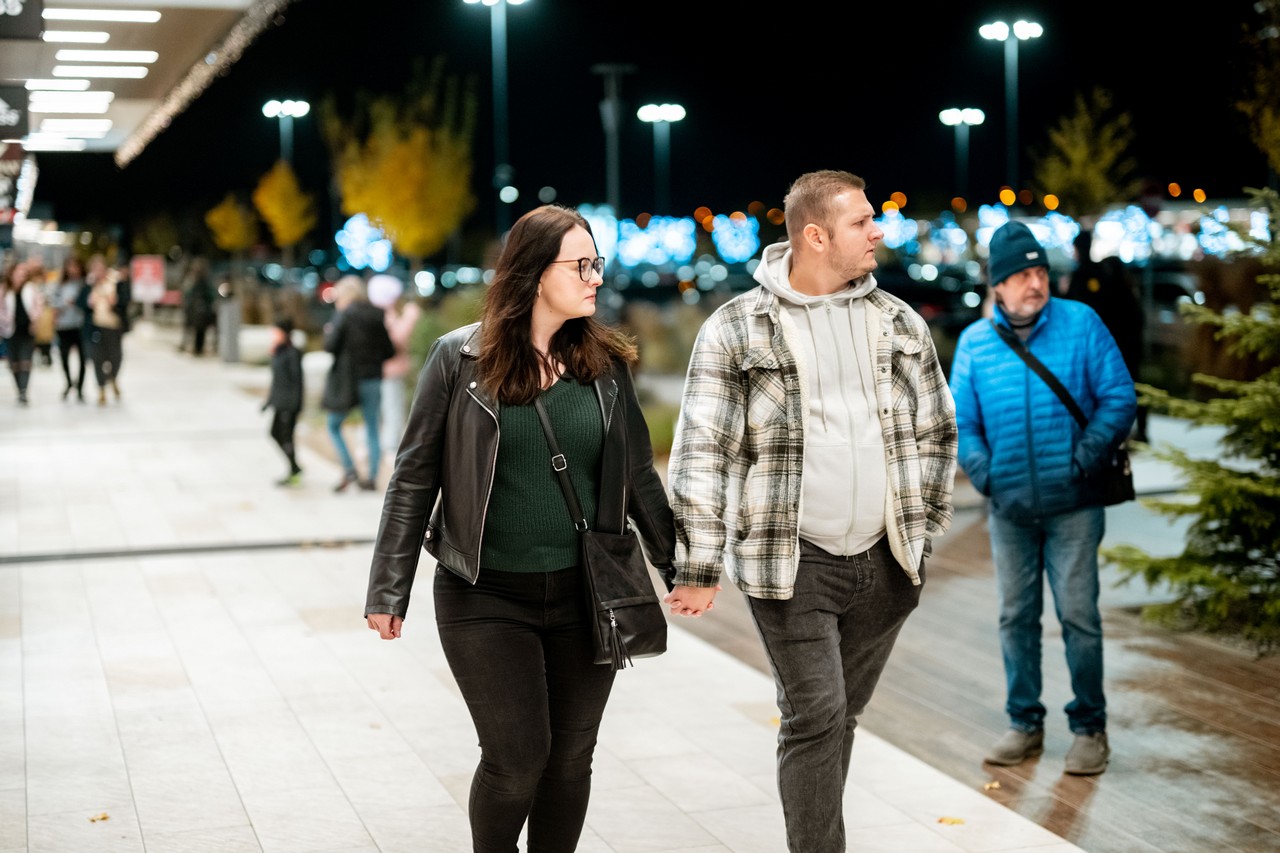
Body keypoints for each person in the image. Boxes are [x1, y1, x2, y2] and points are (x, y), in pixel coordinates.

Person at [363, 204, 676, 853]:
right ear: (533, 273)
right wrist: (388, 588)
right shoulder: (459, 359)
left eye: (596, 263)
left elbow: (638, 476)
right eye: (580, 265)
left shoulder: (605, 366)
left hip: (588, 593)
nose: (595, 277)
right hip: (484, 594)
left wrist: (681, 567)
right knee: (516, 757)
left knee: (571, 759)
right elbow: (414, 477)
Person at [664, 170, 958, 853]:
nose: (878, 231)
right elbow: (703, 450)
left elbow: (937, 429)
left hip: (888, 563)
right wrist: (699, 563)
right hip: (793, 564)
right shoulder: (738, 327)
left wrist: (922, 532)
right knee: (817, 714)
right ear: (817, 236)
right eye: (862, 221)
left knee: (838, 717)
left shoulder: (899, 321)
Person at [949, 220, 1136, 776]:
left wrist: (1084, 459)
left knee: (1078, 617)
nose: (1035, 283)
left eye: (1040, 272)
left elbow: (1119, 397)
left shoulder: (1081, 324)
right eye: (1021, 275)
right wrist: (986, 475)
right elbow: (962, 423)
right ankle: (1024, 723)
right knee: (1015, 617)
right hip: (1009, 509)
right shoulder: (975, 344)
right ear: (998, 286)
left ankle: (1090, 729)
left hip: (1075, 503)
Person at [1064, 228, 1148, 442]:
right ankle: (1138, 430)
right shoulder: (1125, 292)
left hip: (1108, 345)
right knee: (1129, 387)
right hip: (1127, 346)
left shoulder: (1085, 275)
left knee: (1108, 389)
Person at [322, 275, 395, 492]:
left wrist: (330, 330)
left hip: (348, 380)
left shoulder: (344, 315)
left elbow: (330, 346)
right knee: (372, 427)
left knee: (333, 425)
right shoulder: (377, 315)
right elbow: (389, 351)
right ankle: (371, 478)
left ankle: (349, 469)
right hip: (372, 378)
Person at [367, 273, 421, 459]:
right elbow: (397, 341)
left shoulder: (374, 313)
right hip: (390, 371)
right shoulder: (386, 315)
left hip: (377, 371)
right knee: (393, 409)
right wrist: (410, 318)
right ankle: (390, 446)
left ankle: (376, 445)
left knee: (378, 410)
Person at [262, 315, 304, 486]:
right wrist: (268, 402)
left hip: (288, 404)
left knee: (286, 437)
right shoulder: (278, 351)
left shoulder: (292, 353)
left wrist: (295, 404)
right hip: (279, 402)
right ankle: (294, 467)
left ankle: (294, 470)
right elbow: (276, 380)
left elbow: (296, 381)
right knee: (275, 433)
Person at [1, 260, 47, 406]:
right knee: (14, 362)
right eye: (18, 273)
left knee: (25, 360)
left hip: (27, 330)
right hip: (10, 330)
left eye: (23, 274)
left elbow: (39, 306)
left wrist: (35, 319)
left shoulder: (31, 289)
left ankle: (23, 391)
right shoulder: (4, 291)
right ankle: (19, 388)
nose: (20, 277)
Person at [85, 257, 130, 406]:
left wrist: (115, 303)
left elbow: (125, 301)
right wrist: (88, 302)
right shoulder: (89, 285)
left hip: (113, 326)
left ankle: (112, 377)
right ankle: (101, 389)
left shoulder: (115, 282)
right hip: (96, 327)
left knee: (116, 357)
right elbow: (82, 303)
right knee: (98, 358)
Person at [53, 255, 89, 402]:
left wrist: (78, 302)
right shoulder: (60, 284)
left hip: (81, 325)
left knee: (83, 357)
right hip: (64, 325)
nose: (73, 269)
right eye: (70, 266)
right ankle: (68, 382)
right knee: (63, 356)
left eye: (75, 266)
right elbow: (54, 302)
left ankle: (80, 387)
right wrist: (62, 306)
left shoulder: (84, 283)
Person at [181, 256, 218, 356]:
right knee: (198, 330)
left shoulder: (199, 281)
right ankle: (196, 348)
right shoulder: (199, 281)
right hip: (198, 310)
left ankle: (196, 348)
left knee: (197, 330)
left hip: (197, 310)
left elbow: (188, 294)